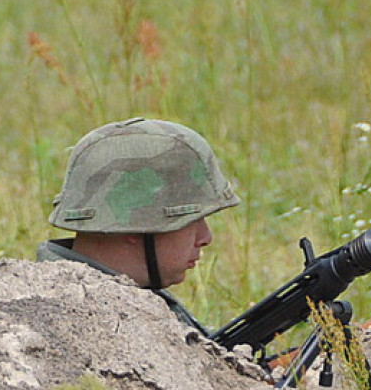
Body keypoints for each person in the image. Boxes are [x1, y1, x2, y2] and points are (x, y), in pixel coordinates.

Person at [37, 117, 240, 333]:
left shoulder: (118, 300)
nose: (205, 238)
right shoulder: (89, 324)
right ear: (135, 220)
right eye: (192, 220)